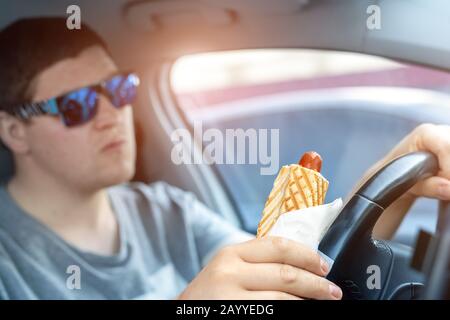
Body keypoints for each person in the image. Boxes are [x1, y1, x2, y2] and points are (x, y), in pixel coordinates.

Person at [0, 18, 449, 300]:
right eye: (77, 104)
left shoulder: (165, 211)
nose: (111, 115)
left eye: (119, 91)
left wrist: (400, 169)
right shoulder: (10, 264)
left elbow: (299, 264)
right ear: (14, 131)